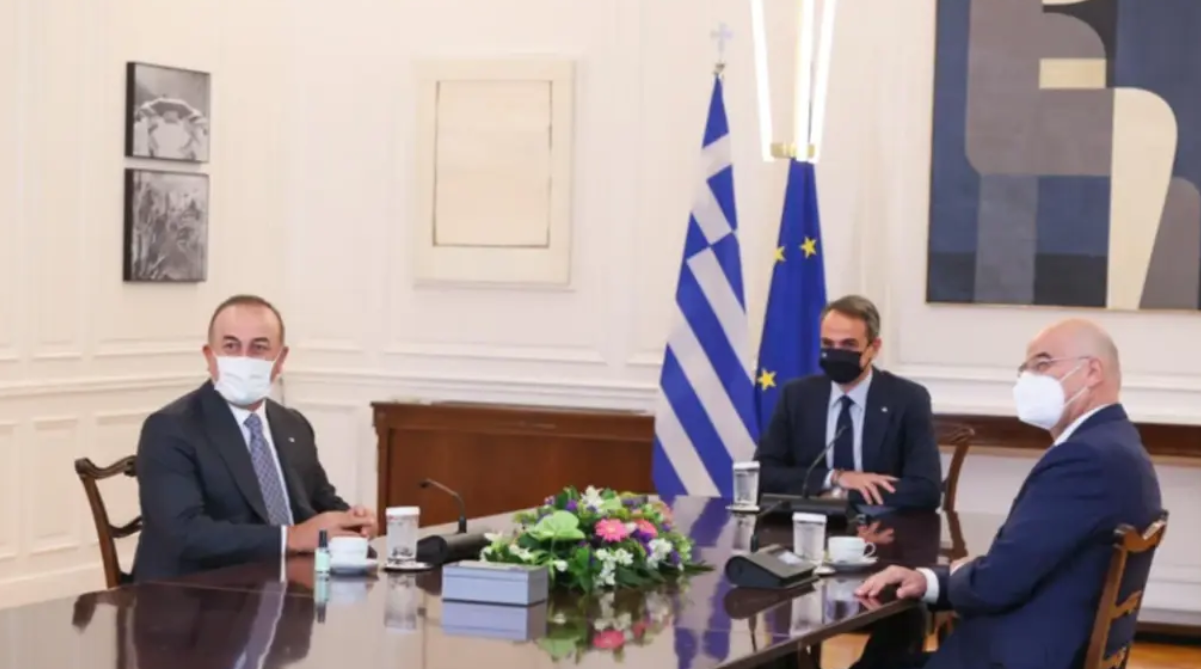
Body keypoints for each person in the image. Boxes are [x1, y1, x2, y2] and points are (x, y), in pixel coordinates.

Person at [855, 318, 1163, 669]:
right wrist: (931, 579)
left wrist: (949, 576)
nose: (1027, 379)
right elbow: (1023, 565)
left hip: (1013, 657)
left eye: (1042, 364)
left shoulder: (1085, 457)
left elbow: (998, 583)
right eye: (1025, 369)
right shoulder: (1117, 444)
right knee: (886, 651)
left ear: (1092, 372)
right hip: (1042, 645)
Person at [133, 294, 376, 582]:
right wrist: (292, 537)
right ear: (209, 356)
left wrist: (352, 522)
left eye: (258, 348)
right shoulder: (171, 428)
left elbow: (319, 499)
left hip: (287, 585)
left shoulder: (292, 424)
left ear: (280, 360)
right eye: (231, 346)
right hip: (198, 593)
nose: (244, 359)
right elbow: (183, 533)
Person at [755, 295, 942, 510]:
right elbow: (763, 474)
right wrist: (835, 478)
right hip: (809, 523)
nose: (837, 352)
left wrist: (841, 495)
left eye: (848, 344)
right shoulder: (797, 396)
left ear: (874, 348)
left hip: (883, 526)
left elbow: (927, 489)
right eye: (828, 344)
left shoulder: (908, 398)